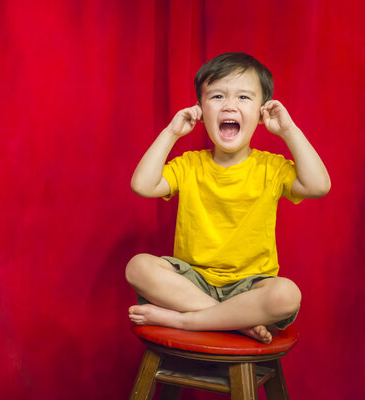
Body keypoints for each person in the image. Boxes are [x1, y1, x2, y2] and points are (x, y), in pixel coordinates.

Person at [125, 52, 330, 344]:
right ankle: (231, 321)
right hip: (191, 283)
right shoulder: (190, 163)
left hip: (250, 288)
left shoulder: (270, 167)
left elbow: (318, 185)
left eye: (244, 98)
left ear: (262, 112)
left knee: (287, 295)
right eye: (218, 96)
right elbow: (143, 185)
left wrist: (288, 131)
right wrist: (171, 133)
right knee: (138, 266)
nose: (230, 105)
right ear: (200, 109)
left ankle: (188, 320)